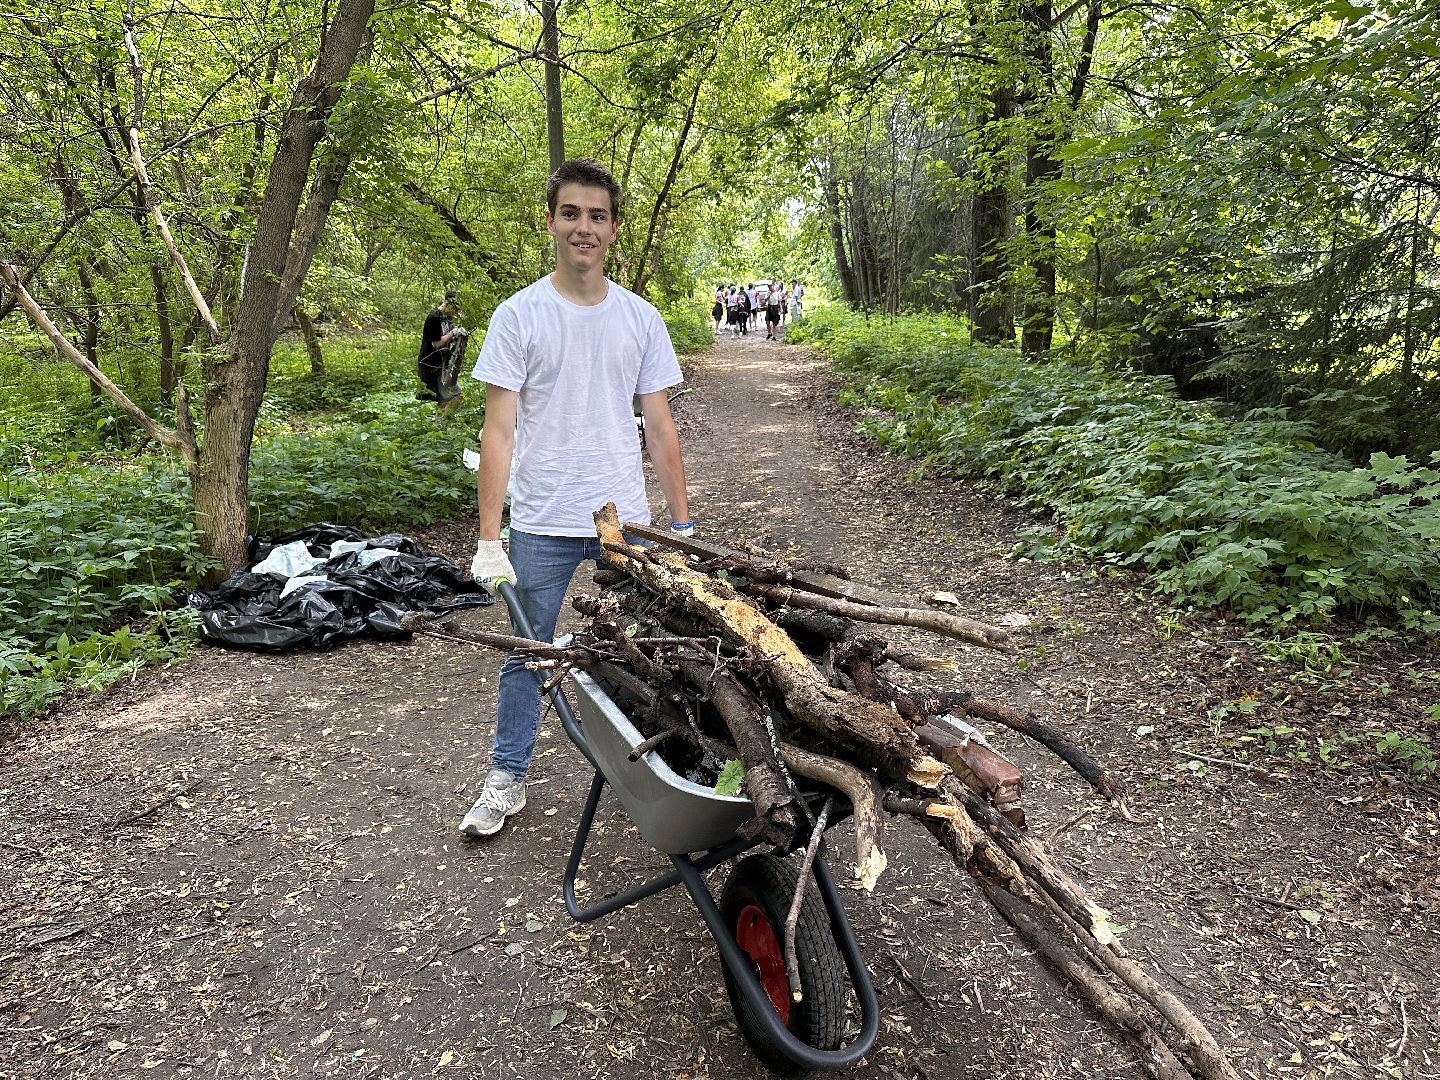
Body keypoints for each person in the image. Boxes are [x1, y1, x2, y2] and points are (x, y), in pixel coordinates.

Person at [460, 158, 693, 839]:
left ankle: (664, 769)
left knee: (652, 645)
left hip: (624, 521)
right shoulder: (519, 316)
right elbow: (497, 432)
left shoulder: (641, 319)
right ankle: (507, 778)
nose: (583, 228)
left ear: (614, 229)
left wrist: (682, 522)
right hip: (540, 518)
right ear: (552, 221)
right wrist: (487, 538)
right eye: (571, 214)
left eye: (596, 216)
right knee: (526, 654)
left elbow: (663, 425)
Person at [417, 289, 468, 409]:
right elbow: (436, 343)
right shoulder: (433, 318)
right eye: (454, 308)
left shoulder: (447, 318)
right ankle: (441, 425)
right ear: (447, 303)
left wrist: (458, 335)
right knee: (451, 397)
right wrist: (452, 333)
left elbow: (448, 338)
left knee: (448, 398)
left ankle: (440, 425)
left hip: (442, 365)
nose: (455, 313)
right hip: (430, 366)